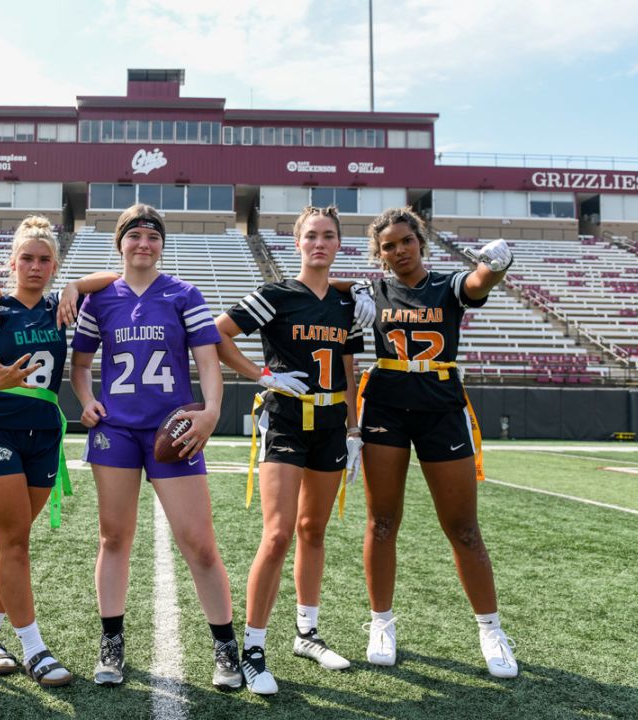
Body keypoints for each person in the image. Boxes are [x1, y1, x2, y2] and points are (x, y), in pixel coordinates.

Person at [70, 204, 241, 691]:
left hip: (173, 427)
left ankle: (225, 647)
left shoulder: (184, 293)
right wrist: (87, 401)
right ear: (119, 243)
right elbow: (80, 366)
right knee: (114, 538)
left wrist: (210, 410)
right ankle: (111, 643)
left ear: (162, 245)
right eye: (134, 236)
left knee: (200, 544)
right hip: (117, 430)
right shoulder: (99, 300)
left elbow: (208, 360)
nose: (143, 244)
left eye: (152, 236)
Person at [0, 216, 119, 687]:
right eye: (27, 258)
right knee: (15, 542)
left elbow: (119, 276)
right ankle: (34, 648)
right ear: (13, 263)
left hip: (44, 433)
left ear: (54, 266)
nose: (35, 266)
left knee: (8, 543)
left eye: (45, 260)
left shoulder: (58, 307)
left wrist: (74, 286)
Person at [354, 206, 518, 678]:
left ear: (420, 241)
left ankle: (490, 629)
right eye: (388, 246)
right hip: (385, 408)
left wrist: (496, 264)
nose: (399, 250)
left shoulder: (446, 285)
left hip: (442, 409)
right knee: (382, 522)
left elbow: (478, 283)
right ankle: (381, 622)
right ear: (379, 254)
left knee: (464, 528)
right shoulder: (373, 292)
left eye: (406, 241)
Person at [214, 205, 369, 695]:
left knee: (313, 530)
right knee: (278, 534)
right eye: (311, 236)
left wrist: (354, 427)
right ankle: (253, 648)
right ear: (297, 243)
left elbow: (348, 368)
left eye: (328, 236)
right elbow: (218, 333)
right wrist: (261, 374)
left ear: (339, 244)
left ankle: (306, 634)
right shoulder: (275, 294)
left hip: (329, 425)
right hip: (285, 420)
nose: (319, 243)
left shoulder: (348, 304)